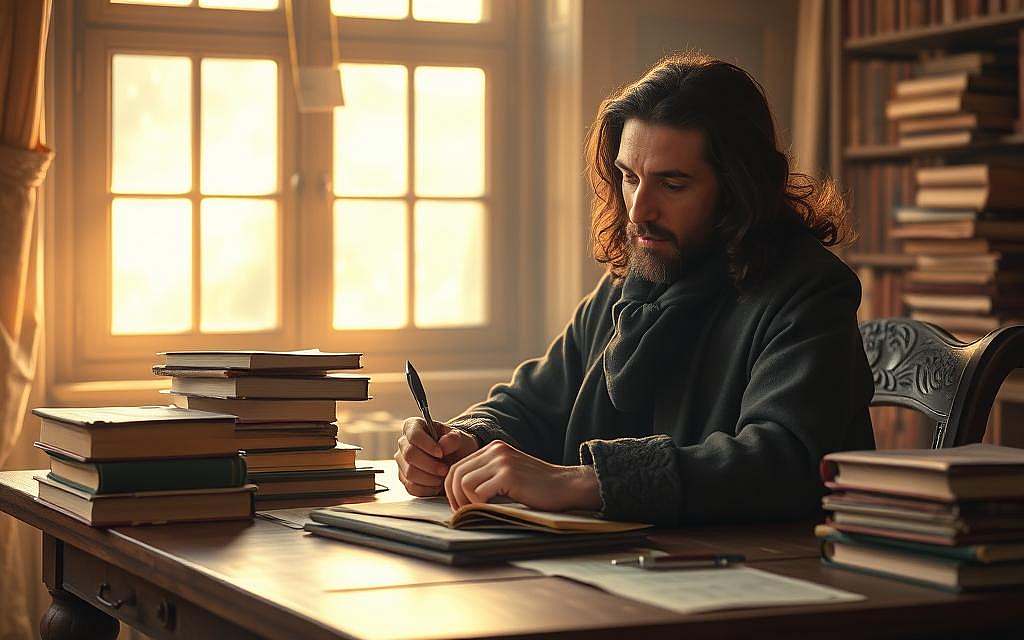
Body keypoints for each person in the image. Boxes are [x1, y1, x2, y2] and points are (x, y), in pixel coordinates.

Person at [394, 51, 875, 526]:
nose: (639, 209)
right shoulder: (628, 285)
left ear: (738, 188)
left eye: (672, 184)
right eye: (629, 178)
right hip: (616, 570)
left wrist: (586, 482)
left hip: (767, 579)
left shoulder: (810, 292)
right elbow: (532, 405)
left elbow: (781, 460)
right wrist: (462, 442)